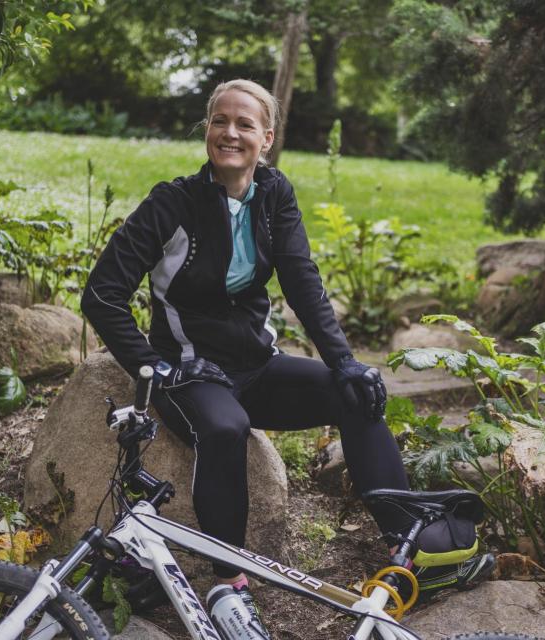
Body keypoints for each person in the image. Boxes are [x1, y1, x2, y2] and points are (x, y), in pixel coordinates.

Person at [81, 79, 492, 630]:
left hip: (256, 366)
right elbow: (102, 294)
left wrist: (345, 360)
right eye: (219, 121)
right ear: (207, 131)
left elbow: (302, 281)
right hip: (191, 372)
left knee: (356, 393)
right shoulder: (171, 203)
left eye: (244, 124)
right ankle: (228, 583)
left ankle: (414, 550)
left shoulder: (273, 194)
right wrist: (156, 365)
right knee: (225, 428)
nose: (230, 132)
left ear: (265, 138)